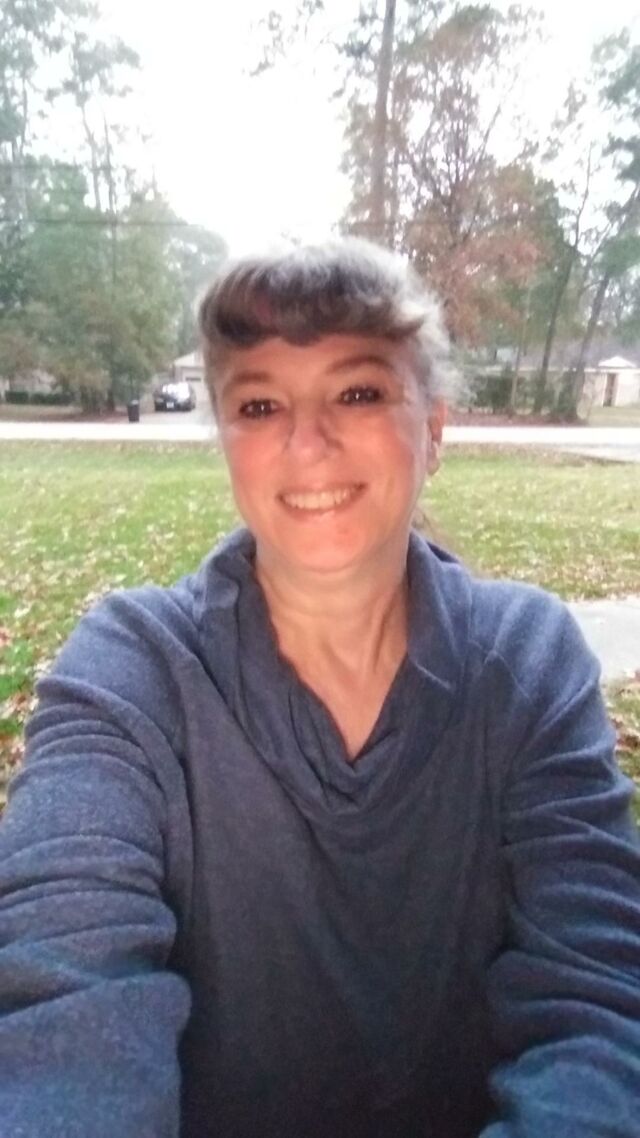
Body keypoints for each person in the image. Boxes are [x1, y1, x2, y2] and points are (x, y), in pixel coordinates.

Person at [0, 239, 639, 1138]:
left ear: (435, 428)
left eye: (358, 393)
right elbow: (61, 1003)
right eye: (260, 405)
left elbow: (599, 1001)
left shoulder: (527, 663)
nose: (308, 442)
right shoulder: (135, 670)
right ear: (227, 442)